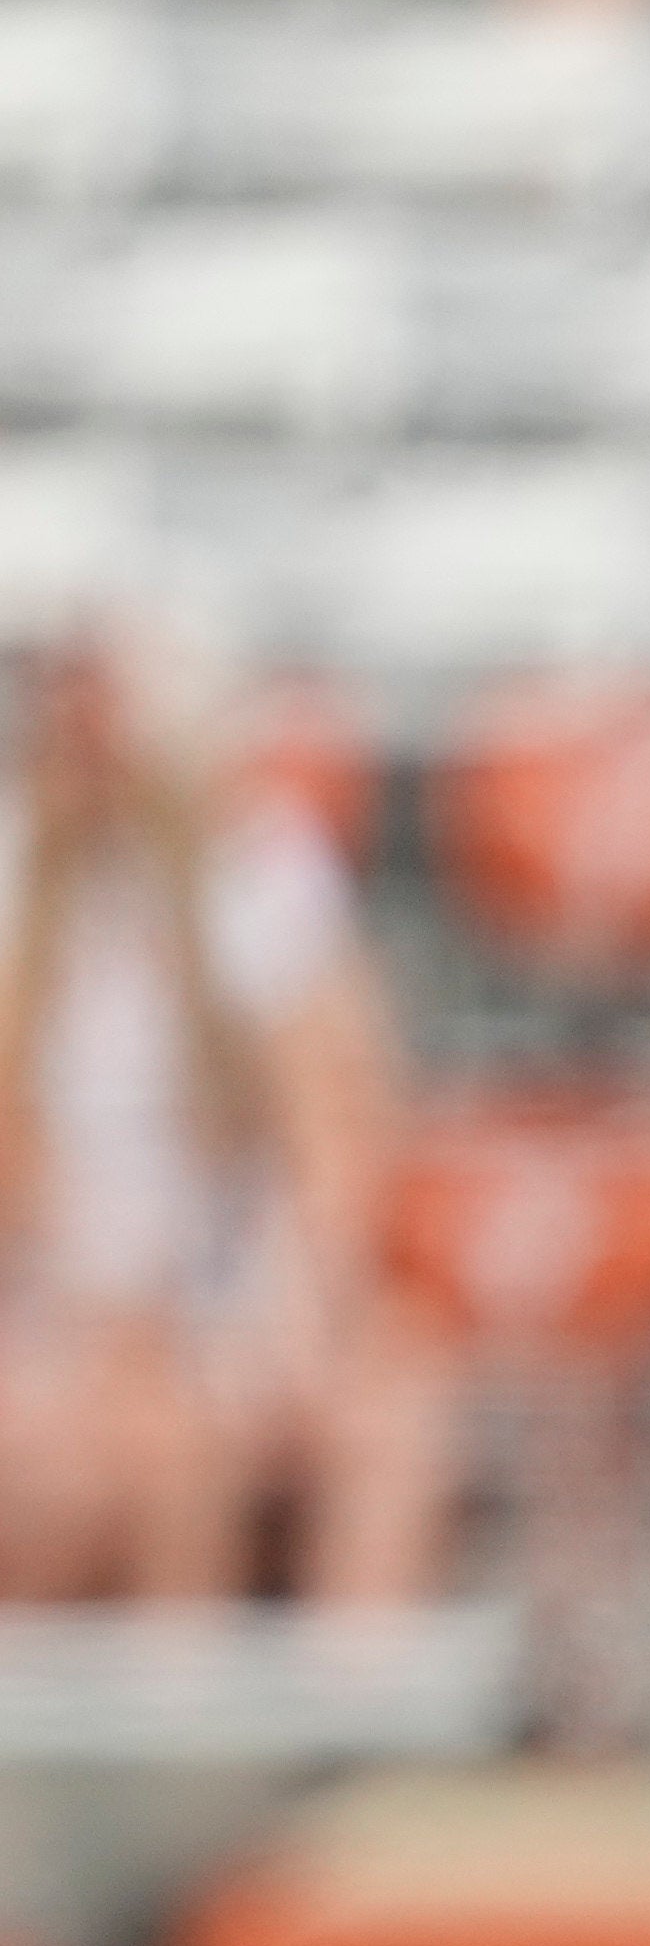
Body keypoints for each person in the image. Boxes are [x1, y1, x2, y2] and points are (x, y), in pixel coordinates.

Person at [0, 625, 450, 1611]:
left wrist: (281, 1308)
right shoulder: (19, 876)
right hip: (74, 1308)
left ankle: (345, 1726)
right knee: (144, 1450)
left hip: (219, 1291)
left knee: (392, 1413)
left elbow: (336, 1127)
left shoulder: (255, 870)